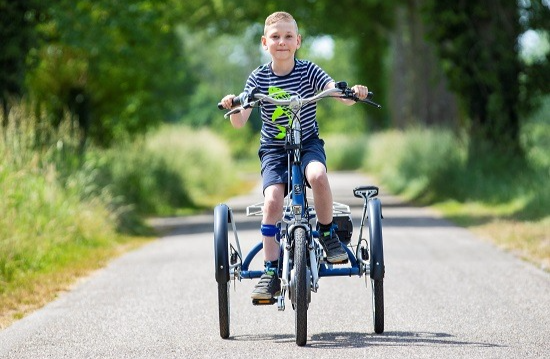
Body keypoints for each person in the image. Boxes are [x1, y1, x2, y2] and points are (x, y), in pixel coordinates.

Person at [220, 11, 369, 301]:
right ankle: (270, 271)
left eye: (288, 36)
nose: (282, 42)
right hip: (274, 150)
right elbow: (239, 122)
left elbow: (333, 91)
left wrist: (352, 93)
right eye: (275, 37)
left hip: (308, 143)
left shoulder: (310, 71)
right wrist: (234, 104)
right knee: (273, 200)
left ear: (298, 41)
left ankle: (327, 234)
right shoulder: (259, 78)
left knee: (318, 176)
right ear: (265, 42)